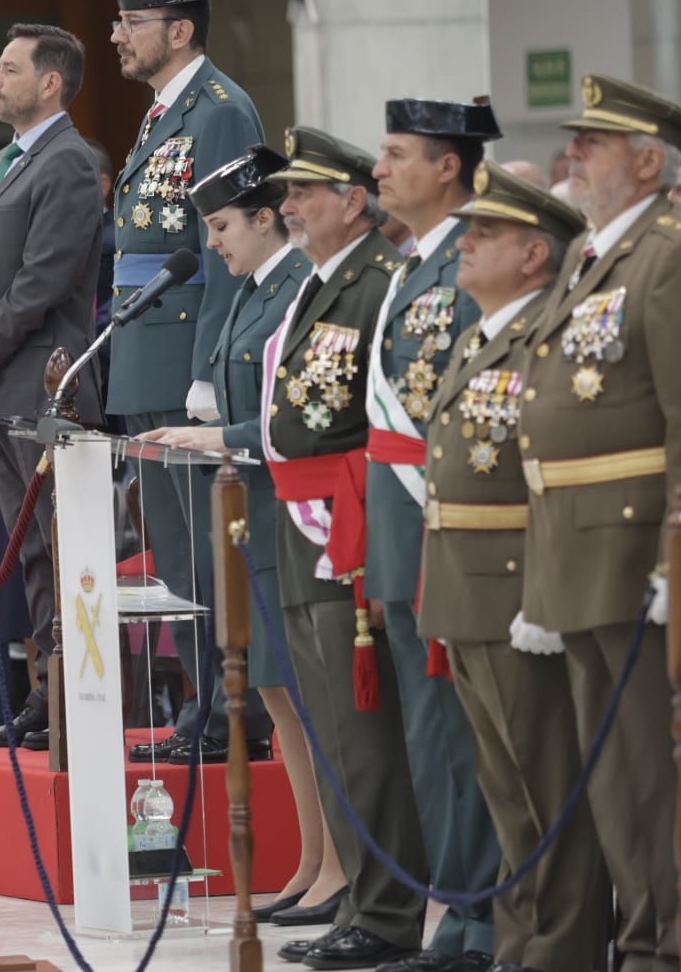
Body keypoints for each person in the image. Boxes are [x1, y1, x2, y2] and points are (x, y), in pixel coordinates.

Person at [524, 73, 681, 971]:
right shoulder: (592, 254)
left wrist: (676, 556)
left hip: (640, 548)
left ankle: (673, 948)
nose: (577, 155)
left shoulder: (677, 252)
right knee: (612, 778)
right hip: (575, 552)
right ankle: (639, 940)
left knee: (662, 772)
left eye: (596, 143)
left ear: (648, 161)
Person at [141, 145, 344, 922]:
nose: (215, 242)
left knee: (303, 695)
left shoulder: (296, 288)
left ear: (267, 219)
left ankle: (338, 867)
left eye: (224, 225)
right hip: (249, 514)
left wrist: (218, 436)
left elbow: (290, 408)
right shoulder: (251, 288)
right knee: (274, 692)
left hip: (288, 514)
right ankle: (312, 860)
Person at [415, 162, 608, 972]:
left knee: (545, 789)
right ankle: (522, 945)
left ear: (536, 256)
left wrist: (542, 594)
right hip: (463, 589)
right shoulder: (477, 336)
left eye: (486, 234)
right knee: (508, 799)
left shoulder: (546, 338)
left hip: (518, 590)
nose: (465, 243)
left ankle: (559, 951)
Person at [262, 129, 424, 969]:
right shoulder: (322, 284)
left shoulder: (378, 284)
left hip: (349, 524)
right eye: (287, 194)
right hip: (301, 521)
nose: (287, 206)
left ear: (355, 200)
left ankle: (390, 909)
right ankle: (361, 896)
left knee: (363, 730)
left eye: (305, 192)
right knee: (330, 725)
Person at [108, 0, 266, 765]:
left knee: (205, 547)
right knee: (172, 551)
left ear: (178, 29)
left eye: (130, 23)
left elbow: (225, 250)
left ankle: (234, 705)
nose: (116, 37)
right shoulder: (161, 113)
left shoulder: (219, 112)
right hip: (145, 353)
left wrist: (211, 368)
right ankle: (206, 701)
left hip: (184, 362)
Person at [363, 99, 505, 970]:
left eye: (395, 154)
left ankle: (481, 918)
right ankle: (459, 911)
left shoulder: (469, 260)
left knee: (459, 735)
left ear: (446, 167)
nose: (379, 170)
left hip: (442, 523)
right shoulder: (418, 262)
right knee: (430, 735)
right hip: (401, 527)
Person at [0, 22, 103, 751]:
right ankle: (50, 690)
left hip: (41, 383)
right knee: (31, 553)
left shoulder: (65, 162)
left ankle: (78, 692)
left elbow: (43, 277)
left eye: (7, 69)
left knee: (58, 546)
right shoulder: (9, 161)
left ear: (49, 83)